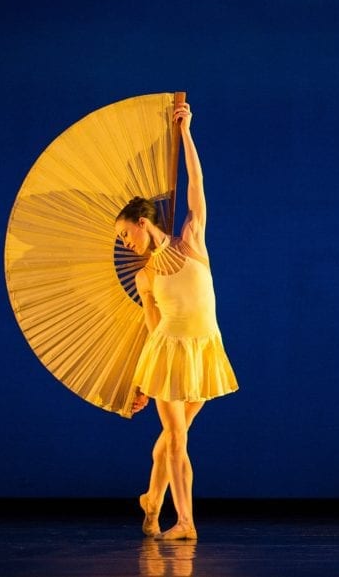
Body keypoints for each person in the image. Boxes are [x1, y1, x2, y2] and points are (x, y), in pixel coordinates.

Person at [115, 102, 238, 541]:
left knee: (173, 437)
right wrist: (142, 383)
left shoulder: (192, 241)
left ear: (144, 223)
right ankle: (185, 522)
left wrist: (186, 132)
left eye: (127, 233)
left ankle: (152, 500)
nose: (126, 242)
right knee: (177, 436)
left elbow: (197, 184)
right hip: (167, 353)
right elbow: (152, 327)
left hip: (204, 349)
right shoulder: (144, 275)